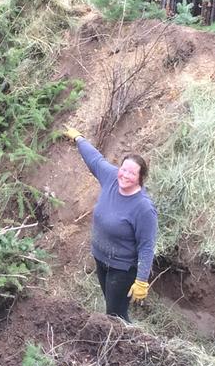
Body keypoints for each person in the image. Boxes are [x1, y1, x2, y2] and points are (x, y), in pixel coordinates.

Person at [64, 125, 157, 322]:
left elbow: (147, 246)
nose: (124, 175)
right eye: (123, 170)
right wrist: (79, 139)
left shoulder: (143, 208)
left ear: (140, 178)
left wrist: (141, 280)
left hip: (122, 268)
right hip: (101, 260)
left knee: (115, 316)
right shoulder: (111, 177)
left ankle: (129, 345)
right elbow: (95, 159)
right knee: (112, 307)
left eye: (132, 174)